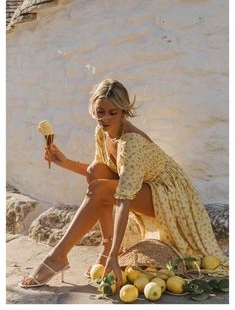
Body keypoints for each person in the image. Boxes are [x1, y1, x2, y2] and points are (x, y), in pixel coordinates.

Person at [18, 78, 229, 290]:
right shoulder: (102, 132)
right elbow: (101, 171)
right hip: (144, 189)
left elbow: (122, 198)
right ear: (93, 110)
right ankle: (107, 247)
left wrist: (113, 258)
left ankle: (58, 256)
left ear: (124, 112)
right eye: (101, 112)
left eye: (113, 112)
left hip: (171, 197)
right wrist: (62, 161)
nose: (106, 118)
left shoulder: (132, 143)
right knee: (96, 171)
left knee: (98, 189)